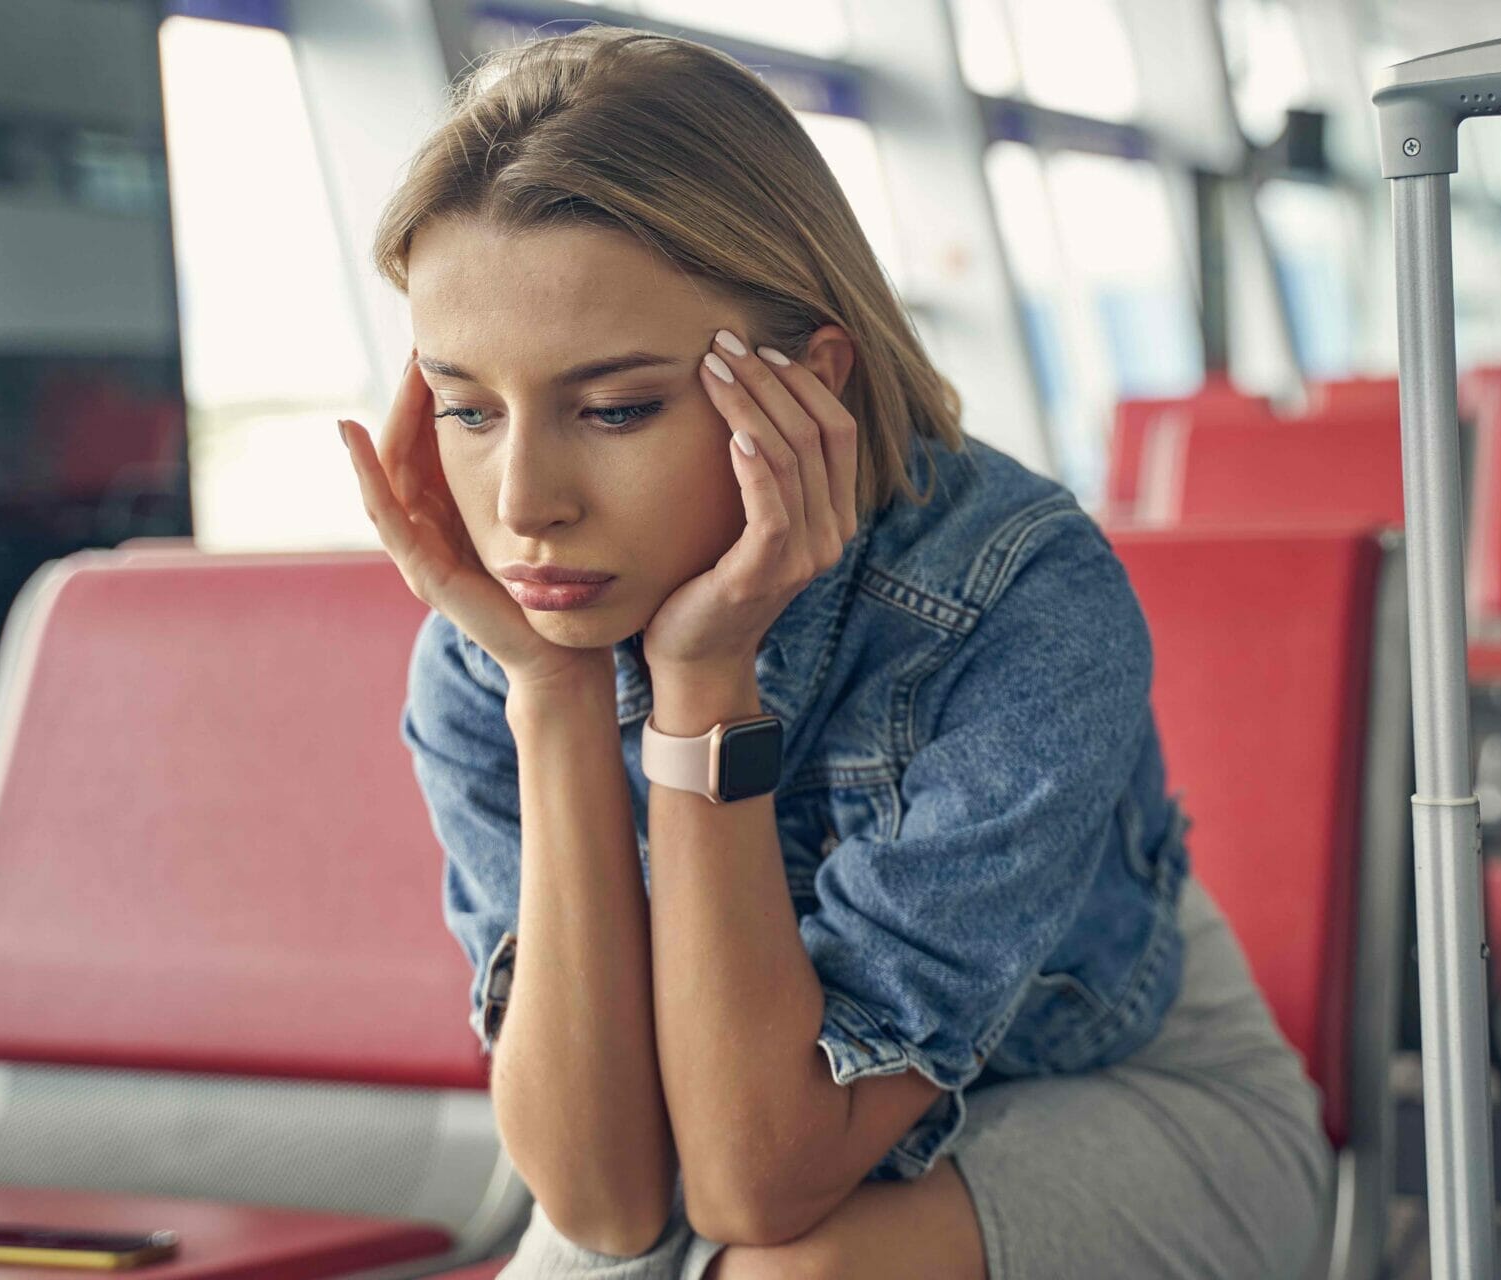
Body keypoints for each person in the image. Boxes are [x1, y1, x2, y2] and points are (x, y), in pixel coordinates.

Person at [340, 24, 1330, 1280]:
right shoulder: (493, 646)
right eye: (468, 408)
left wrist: (703, 684)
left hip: (1119, 1085)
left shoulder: (1019, 597)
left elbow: (757, 1183)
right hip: (751, 1112)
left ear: (807, 382)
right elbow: (604, 1202)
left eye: (615, 408)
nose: (524, 498)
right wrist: (550, 696)